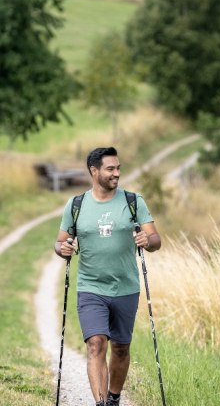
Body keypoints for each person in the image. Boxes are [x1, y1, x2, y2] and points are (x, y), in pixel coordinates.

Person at [54, 147, 161, 406]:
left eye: (118, 168)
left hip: (126, 287)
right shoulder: (76, 205)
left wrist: (148, 240)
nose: (116, 174)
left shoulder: (134, 202)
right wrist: (64, 248)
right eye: (110, 169)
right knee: (96, 344)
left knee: (121, 348)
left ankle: (114, 398)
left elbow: (156, 240)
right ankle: (101, 403)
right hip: (90, 287)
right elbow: (59, 243)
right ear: (94, 171)